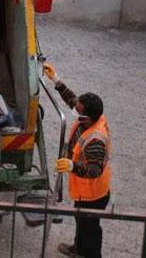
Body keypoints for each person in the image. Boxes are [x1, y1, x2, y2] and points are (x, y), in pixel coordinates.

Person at [43, 62, 111, 258]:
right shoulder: (90, 116)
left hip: (94, 193)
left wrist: (72, 165)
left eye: (78, 111)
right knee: (81, 220)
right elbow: (73, 100)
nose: (75, 110)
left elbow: (95, 170)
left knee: (90, 227)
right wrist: (56, 80)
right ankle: (78, 249)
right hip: (84, 191)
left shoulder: (96, 139)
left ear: (87, 117)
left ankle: (89, 255)